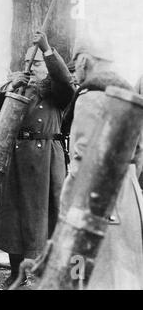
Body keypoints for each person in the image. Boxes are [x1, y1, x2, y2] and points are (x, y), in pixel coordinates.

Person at [0, 31, 75, 287]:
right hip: (17, 158)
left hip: (47, 159)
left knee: (49, 217)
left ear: (46, 67)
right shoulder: (21, 87)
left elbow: (67, 83)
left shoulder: (58, 92)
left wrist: (47, 51)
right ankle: (17, 273)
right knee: (14, 217)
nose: (31, 68)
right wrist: (9, 85)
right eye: (28, 63)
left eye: (36, 63)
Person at [61, 40, 143, 289]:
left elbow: (84, 158)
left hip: (95, 198)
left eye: (76, 67)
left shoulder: (90, 96)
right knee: (125, 271)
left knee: (88, 273)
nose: (75, 73)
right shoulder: (127, 96)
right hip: (127, 195)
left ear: (86, 62)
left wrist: (68, 199)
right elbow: (139, 153)